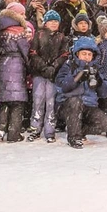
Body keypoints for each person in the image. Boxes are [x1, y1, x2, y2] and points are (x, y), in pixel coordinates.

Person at [55, 36, 107, 149]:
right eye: (84, 54)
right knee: (75, 102)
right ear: (77, 54)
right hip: (68, 106)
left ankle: (79, 130)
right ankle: (74, 137)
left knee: (106, 124)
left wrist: (99, 81)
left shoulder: (96, 68)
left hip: (88, 106)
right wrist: (76, 78)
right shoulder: (69, 66)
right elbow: (61, 87)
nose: (86, 57)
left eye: (89, 54)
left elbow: (105, 93)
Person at [28, 10, 69, 143]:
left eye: (56, 21)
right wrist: (43, 67)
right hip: (39, 74)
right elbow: (33, 53)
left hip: (53, 75)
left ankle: (50, 130)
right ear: (45, 22)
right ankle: (35, 129)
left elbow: (64, 54)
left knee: (51, 102)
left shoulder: (62, 37)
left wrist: (54, 67)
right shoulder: (38, 35)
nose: (53, 23)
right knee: (38, 101)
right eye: (51, 21)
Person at [0, 3, 31, 143]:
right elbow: (25, 52)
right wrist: (28, 65)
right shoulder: (19, 32)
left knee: (3, 101)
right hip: (16, 65)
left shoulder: (0, 31)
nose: (24, 16)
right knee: (17, 102)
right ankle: (14, 133)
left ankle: (0, 130)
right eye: (22, 13)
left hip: (2, 65)